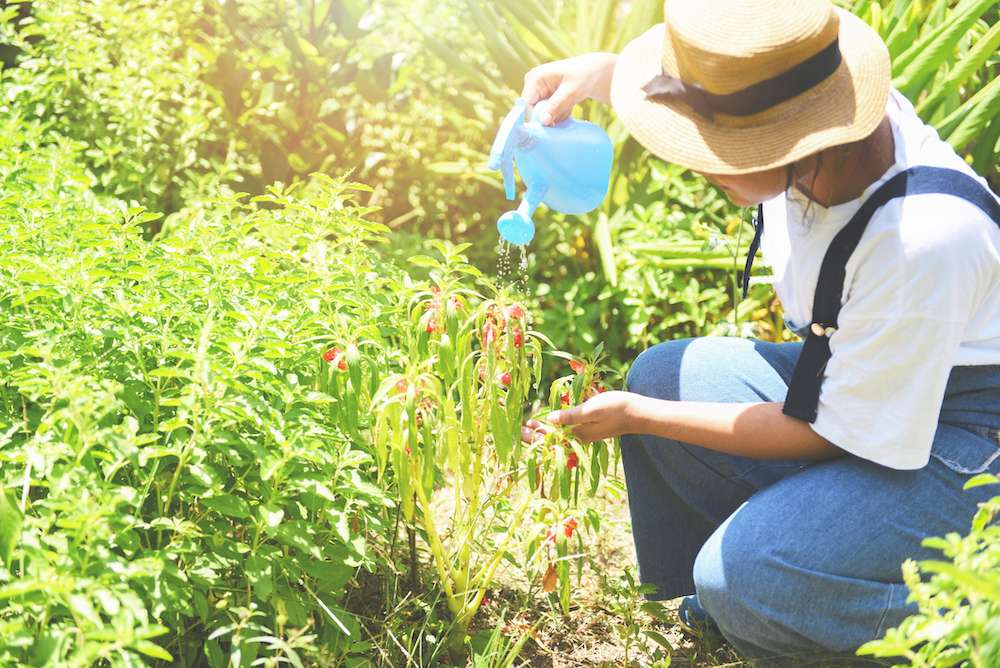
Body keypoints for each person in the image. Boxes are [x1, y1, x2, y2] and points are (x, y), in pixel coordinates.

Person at [519, 0, 1000, 664]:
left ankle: (965, 620)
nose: (697, 162)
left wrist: (637, 417)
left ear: (793, 143)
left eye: (712, 150)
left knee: (744, 576)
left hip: (970, 444)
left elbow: (828, 430)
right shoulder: (828, 131)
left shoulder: (921, 240)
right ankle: (747, 604)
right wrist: (603, 75)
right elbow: (727, 89)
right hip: (882, 387)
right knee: (665, 376)